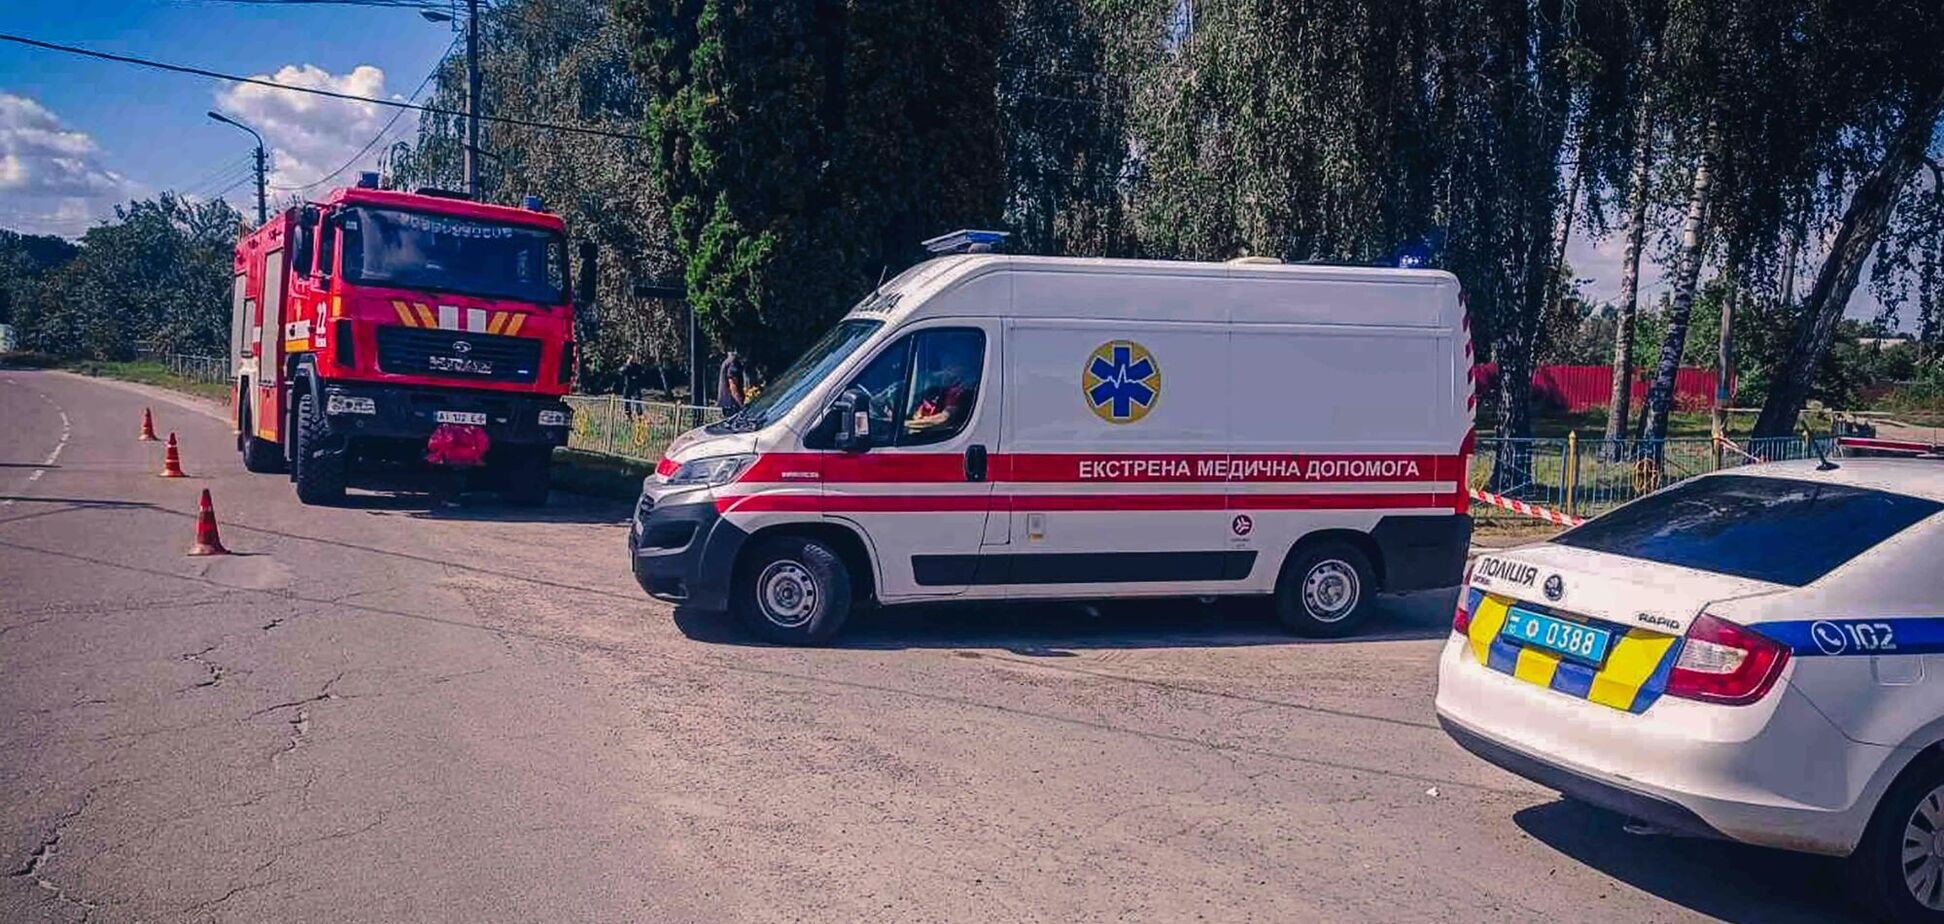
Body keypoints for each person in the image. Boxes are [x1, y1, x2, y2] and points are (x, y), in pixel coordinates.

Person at [905, 346, 977, 434]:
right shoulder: (936, 389)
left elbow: (944, 419)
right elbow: (920, 410)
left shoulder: (961, 391)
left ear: (961, 368)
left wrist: (906, 425)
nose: (945, 370)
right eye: (944, 365)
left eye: (950, 365)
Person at [717, 350, 746, 415]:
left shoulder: (728, 362)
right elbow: (732, 385)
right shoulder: (733, 362)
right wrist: (741, 405)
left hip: (727, 406)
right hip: (733, 406)